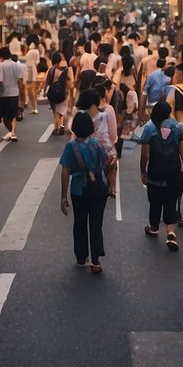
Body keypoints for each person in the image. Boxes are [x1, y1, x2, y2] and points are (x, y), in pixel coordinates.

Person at [59, 112, 110, 273]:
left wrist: (63, 196)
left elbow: (65, 171)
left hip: (78, 190)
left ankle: (81, 257)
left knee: (80, 223)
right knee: (96, 224)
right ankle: (96, 260)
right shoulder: (97, 144)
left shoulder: (70, 147)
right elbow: (106, 162)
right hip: (98, 189)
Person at [139, 101, 183, 251]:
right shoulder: (178, 128)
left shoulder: (149, 128)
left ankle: (154, 227)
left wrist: (143, 171)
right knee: (170, 202)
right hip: (173, 173)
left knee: (155, 201)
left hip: (155, 172)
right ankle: (171, 232)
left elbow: (145, 154)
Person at [0, 46, 25, 141]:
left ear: (1, 56)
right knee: (13, 115)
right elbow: (20, 81)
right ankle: (12, 132)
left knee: (5, 118)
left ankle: (12, 132)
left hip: (3, 94)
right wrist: (22, 95)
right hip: (15, 93)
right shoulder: (17, 65)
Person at [44, 51, 74, 136]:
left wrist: (44, 90)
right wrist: (69, 91)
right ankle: (60, 125)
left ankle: (57, 127)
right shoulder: (68, 69)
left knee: (56, 110)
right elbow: (70, 81)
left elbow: (46, 81)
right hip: (64, 91)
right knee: (61, 109)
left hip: (52, 92)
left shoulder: (52, 69)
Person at [23, 38, 41, 115]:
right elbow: (37, 62)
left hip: (27, 71)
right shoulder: (36, 51)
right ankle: (34, 107)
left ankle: (28, 102)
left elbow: (25, 60)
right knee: (33, 90)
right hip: (33, 71)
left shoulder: (28, 53)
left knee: (27, 88)